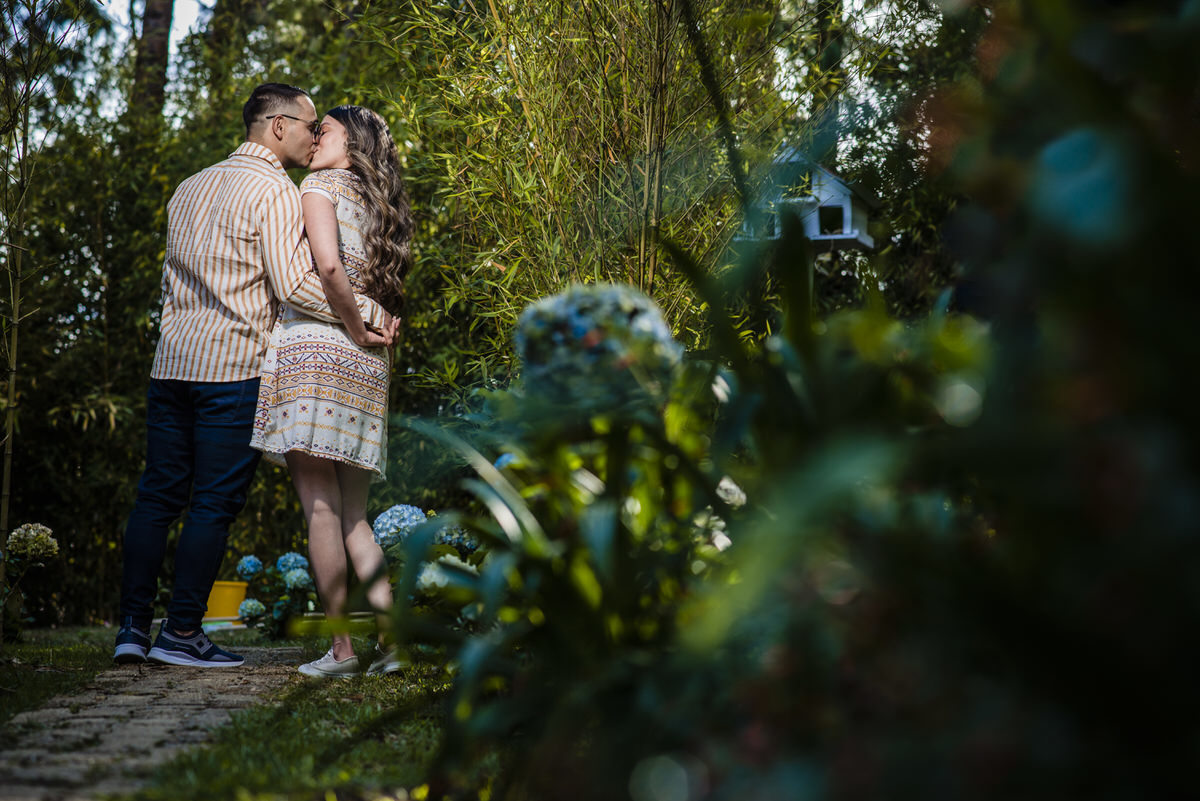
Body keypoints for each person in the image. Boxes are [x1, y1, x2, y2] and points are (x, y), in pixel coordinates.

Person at [113, 84, 396, 668]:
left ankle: (133, 629)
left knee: (157, 497)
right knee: (212, 503)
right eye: (309, 126)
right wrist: (369, 314)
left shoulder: (188, 187)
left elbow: (169, 287)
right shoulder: (275, 190)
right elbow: (296, 284)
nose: (314, 137)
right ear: (277, 127)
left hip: (172, 364)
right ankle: (183, 633)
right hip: (234, 366)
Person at [250, 105, 414, 678]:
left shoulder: (317, 186)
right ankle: (393, 645)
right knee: (355, 517)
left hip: (321, 351)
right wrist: (364, 329)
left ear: (354, 143)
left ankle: (342, 651)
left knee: (319, 507)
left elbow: (325, 266)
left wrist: (346, 323)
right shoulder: (380, 205)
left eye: (328, 131)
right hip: (369, 363)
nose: (316, 138)